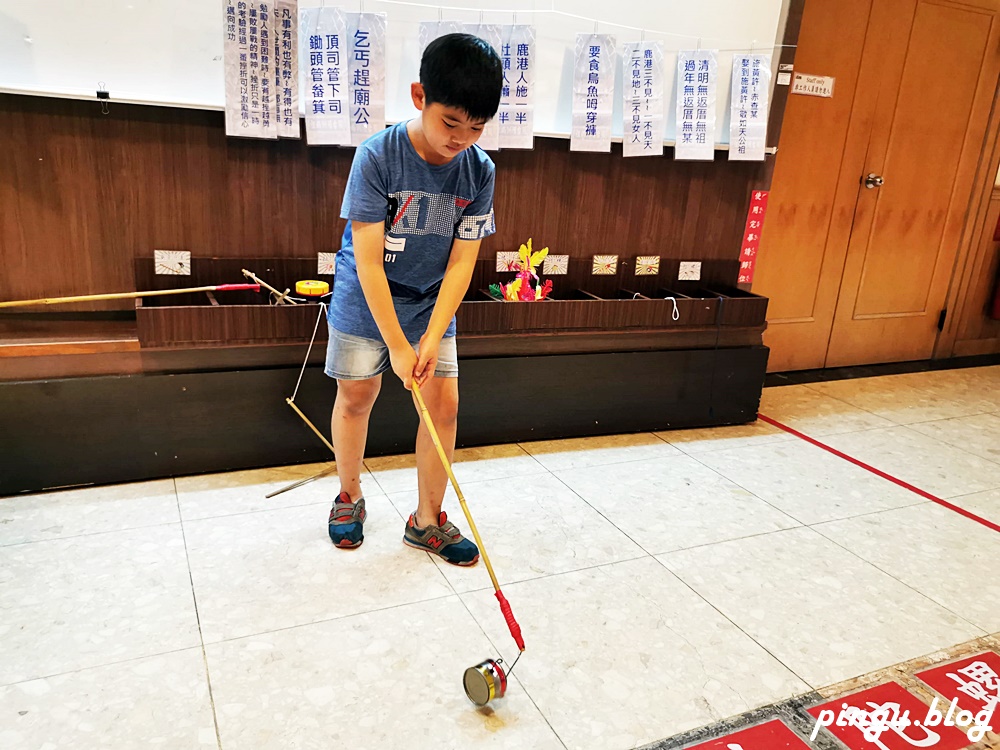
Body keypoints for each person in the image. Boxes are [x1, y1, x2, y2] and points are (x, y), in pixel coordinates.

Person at [324, 33, 502, 566]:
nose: (461, 139)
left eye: (476, 128)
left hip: (431, 302)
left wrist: (427, 336)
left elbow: (462, 262)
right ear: (420, 96)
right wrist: (399, 348)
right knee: (358, 396)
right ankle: (349, 496)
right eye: (451, 123)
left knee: (443, 406)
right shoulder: (377, 156)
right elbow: (370, 261)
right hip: (367, 296)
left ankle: (427, 520)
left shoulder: (480, 171)